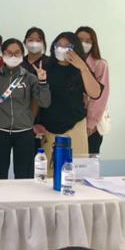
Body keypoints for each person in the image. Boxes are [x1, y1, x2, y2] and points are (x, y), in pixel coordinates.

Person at [0, 38, 51, 179]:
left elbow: (44, 103)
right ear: (3, 54)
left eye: (17, 53)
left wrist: (43, 82)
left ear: (22, 55)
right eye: (9, 53)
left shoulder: (30, 78)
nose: (13, 56)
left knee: (24, 175)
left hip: (24, 131)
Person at [34, 32, 103, 172]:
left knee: (76, 171)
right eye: (59, 45)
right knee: (50, 172)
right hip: (49, 127)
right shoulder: (45, 67)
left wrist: (82, 67)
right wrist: (34, 122)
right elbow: (36, 99)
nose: (62, 48)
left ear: (75, 49)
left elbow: (95, 93)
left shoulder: (81, 69)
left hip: (75, 125)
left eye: (67, 46)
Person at [76, 26, 110, 155]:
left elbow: (101, 97)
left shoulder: (100, 64)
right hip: (71, 121)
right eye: (80, 39)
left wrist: (91, 123)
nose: (83, 43)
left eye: (88, 41)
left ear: (93, 43)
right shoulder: (68, 63)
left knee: (88, 161)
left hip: (91, 125)